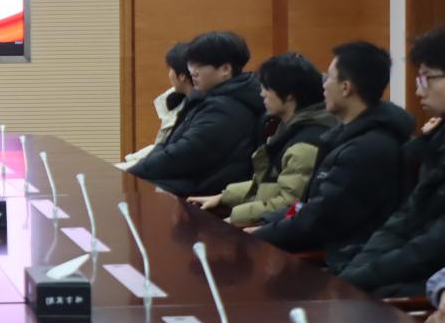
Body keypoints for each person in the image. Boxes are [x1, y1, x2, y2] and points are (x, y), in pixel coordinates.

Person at [253, 41, 413, 260]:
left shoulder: (367, 150)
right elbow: (308, 207)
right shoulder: (344, 135)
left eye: (328, 77)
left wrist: (259, 236)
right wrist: (266, 224)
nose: (323, 85)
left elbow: (321, 219)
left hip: (343, 261)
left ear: (346, 88)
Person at [332, 27, 445, 296]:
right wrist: (354, 274)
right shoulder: (434, 142)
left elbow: (433, 245)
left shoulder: (372, 145)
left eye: (427, 78)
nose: (418, 91)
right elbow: (405, 219)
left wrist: (360, 278)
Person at [187, 53, 335, 227]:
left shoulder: (306, 144)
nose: (262, 93)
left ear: (289, 95)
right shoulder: (287, 127)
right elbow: (269, 184)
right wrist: (223, 197)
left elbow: (289, 206)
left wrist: (234, 218)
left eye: (267, 87)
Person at [127, 31, 263, 196]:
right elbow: (169, 146)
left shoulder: (226, 109)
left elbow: (184, 154)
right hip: (188, 184)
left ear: (225, 69)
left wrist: (131, 174)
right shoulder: (212, 98)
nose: (192, 72)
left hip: (200, 193)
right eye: (191, 64)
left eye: (199, 65)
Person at [119, 42, 191, 169]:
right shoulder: (177, 101)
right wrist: (130, 160)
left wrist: (130, 167)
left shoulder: (200, 109)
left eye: (170, 69)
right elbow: (162, 147)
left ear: (182, 76)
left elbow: (171, 155)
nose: (169, 75)